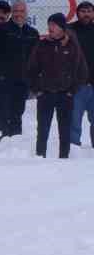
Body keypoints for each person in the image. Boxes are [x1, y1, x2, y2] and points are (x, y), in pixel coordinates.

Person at [27, 13, 89, 159]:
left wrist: (72, 90)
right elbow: (31, 69)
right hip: (45, 94)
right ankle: (39, 157)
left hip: (65, 95)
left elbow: (82, 71)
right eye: (49, 24)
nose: (50, 28)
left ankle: (64, 159)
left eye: (54, 25)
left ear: (62, 28)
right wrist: (37, 89)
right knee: (42, 130)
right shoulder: (42, 45)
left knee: (65, 130)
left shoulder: (72, 46)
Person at [0, 0, 38, 137]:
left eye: (21, 11)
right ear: (12, 13)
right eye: (15, 11)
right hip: (4, 82)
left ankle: (15, 143)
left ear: (26, 13)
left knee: (17, 115)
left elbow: (35, 59)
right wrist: (0, 75)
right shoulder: (1, 30)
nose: (18, 14)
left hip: (22, 83)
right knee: (3, 116)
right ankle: (1, 146)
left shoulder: (32, 33)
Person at [69, 1, 94, 146]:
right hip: (77, 84)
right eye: (83, 11)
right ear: (77, 13)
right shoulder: (70, 30)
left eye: (89, 11)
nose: (86, 14)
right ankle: (73, 149)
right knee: (74, 120)